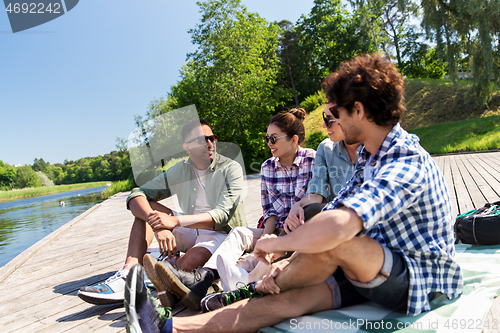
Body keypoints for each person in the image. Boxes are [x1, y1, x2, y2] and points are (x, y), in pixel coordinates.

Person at [124, 53, 464, 333]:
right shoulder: (367, 157)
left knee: (334, 239)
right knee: (286, 302)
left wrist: (277, 245)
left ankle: (250, 284)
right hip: (369, 265)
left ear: (358, 110)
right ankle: (169, 329)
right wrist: (286, 268)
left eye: (338, 113)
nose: (332, 121)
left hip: (418, 279)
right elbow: (334, 209)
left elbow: (341, 226)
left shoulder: (405, 160)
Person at [143, 108, 316, 310]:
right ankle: (202, 279)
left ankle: (217, 283)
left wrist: (296, 213)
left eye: (274, 139)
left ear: (294, 140)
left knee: (251, 258)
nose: (269, 143)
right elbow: (270, 212)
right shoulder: (268, 167)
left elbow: (319, 196)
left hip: (301, 231)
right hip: (275, 230)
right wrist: (265, 238)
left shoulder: (313, 160)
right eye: (267, 138)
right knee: (239, 232)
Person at [77, 118, 247, 306]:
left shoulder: (231, 168)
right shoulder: (181, 169)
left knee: (191, 263)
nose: (209, 143)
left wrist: (174, 222)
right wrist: (158, 225)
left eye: (211, 138)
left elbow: (222, 216)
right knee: (145, 209)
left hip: (222, 233)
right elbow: (136, 194)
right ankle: (130, 273)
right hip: (189, 228)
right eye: (201, 139)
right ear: (187, 147)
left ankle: (160, 277)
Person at [284, 101, 360, 234]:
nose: (324, 125)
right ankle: (278, 249)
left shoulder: (376, 149)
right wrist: (298, 205)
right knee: (307, 211)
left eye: (329, 120)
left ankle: (278, 248)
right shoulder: (326, 149)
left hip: (362, 223)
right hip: (334, 224)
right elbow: (316, 191)